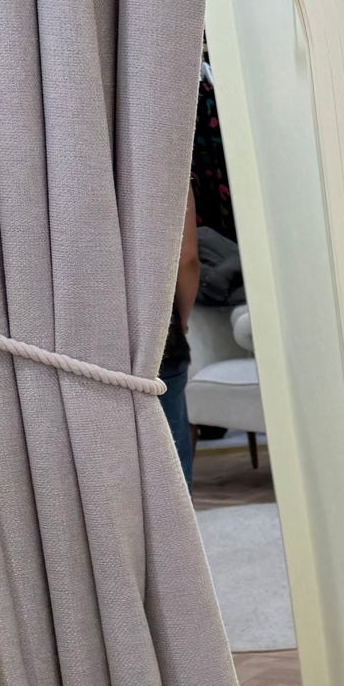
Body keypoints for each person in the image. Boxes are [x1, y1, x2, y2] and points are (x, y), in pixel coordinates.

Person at [161, 187, 200, 488]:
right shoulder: (164, 168)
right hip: (161, 337)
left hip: (80, 346)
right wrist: (181, 322)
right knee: (170, 465)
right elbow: (186, 259)